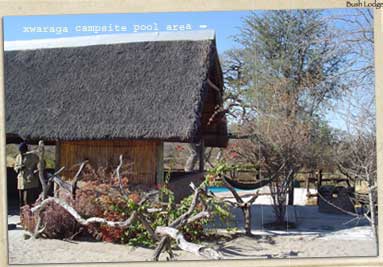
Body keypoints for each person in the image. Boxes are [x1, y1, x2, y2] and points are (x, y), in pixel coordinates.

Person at [14, 142, 39, 207]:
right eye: (20, 151)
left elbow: (41, 163)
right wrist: (19, 168)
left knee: (27, 200)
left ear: (25, 149)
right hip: (21, 180)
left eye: (22, 150)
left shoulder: (33, 156)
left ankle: (28, 214)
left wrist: (36, 171)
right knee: (21, 200)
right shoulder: (18, 156)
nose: (21, 152)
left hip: (29, 180)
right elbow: (15, 167)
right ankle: (22, 214)